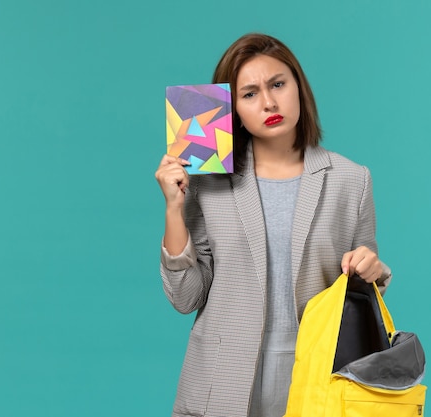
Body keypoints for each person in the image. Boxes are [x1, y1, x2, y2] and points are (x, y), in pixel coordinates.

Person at [155, 33, 392, 417]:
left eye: (278, 84)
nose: (268, 102)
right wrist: (173, 208)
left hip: (318, 381)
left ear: (299, 86)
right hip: (222, 383)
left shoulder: (352, 179)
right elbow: (186, 298)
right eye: (249, 94)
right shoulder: (207, 181)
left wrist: (374, 269)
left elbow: (364, 293)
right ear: (232, 110)